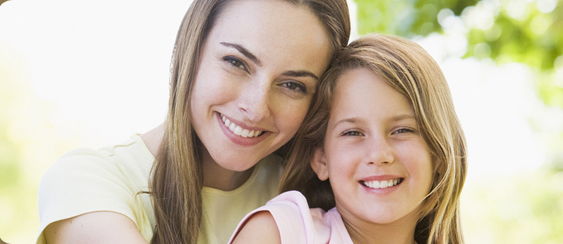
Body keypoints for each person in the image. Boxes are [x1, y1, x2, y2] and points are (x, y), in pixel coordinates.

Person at [36, 0, 350, 243]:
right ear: (192, 50)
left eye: (293, 85)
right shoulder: (86, 182)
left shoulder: (317, 196)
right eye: (236, 62)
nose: (256, 109)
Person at [229, 34, 467, 244]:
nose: (379, 154)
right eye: (353, 133)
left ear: (438, 155)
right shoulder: (282, 233)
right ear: (321, 158)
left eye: (402, 130)